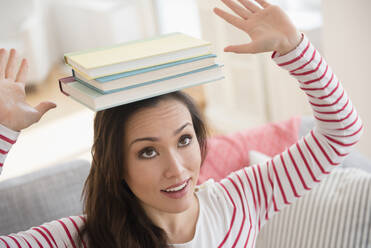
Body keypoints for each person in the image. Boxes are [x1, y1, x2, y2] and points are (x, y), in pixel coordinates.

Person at [0, 0, 363, 247]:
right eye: (147, 151)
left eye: (184, 140)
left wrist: (295, 49)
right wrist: (4, 131)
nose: (176, 169)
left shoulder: (242, 199)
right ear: (116, 165)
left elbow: (342, 133)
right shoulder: (80, 238)